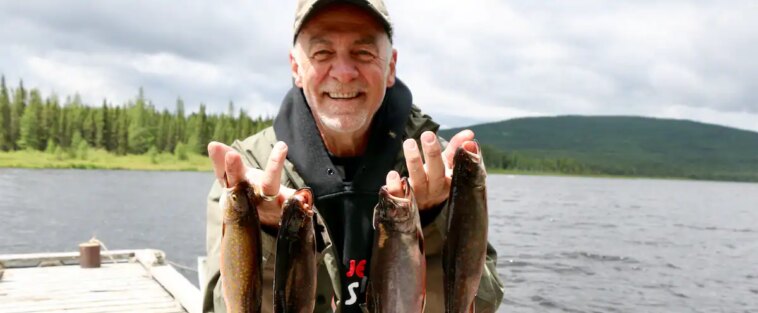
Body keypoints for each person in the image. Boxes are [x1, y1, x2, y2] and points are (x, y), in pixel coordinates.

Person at [202, 0, 505, 312]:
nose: (344, 73)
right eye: (322, 53)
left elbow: (480, 304)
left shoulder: (441, 168)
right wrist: (263, 235)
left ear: (390, 67)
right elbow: (219, 307)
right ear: (296, 67)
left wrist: (431, 223)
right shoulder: (247, 172)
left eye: (363, 53)